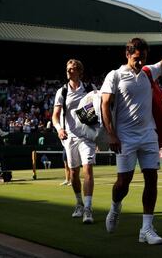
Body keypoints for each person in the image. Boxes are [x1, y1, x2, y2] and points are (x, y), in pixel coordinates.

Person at [101, 15, 162, 244]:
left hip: (148, 134)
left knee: (151, 179)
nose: (140, 62)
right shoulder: (114, 76)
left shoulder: (148, 72)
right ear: (127, 54)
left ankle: (146, 229)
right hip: (124, 137)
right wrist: (111, 134)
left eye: (143, 58)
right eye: (136, 58)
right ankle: (115, 207)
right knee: (122, 184)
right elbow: (105, 104)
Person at [52, 59, 96, 224]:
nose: (70, 71)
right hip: (69, 137)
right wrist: (59, 129)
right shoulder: (62, 92)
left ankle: (88, 209)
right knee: (74, 174)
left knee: (88, 170)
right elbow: (55, 115)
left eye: (73, 69)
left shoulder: (91, 89)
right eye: (68, 69)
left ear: (80, 71)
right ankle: (79, 203)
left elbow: (99, 108)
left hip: (87, 137)